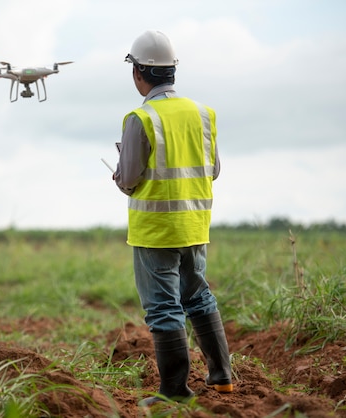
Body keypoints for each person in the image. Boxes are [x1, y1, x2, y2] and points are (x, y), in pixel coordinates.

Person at [113, 30, 233, 406]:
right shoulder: (204, 114)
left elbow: (129, 179)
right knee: (199, 297)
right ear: (172, 72)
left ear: (139, 74)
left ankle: (175, 391)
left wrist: (119, 175)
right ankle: (223, 377)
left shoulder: (140, 118)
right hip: (195, 225)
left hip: (155, 232)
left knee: (164, 307)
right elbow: (212, 170)